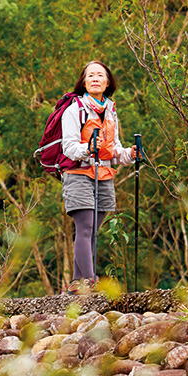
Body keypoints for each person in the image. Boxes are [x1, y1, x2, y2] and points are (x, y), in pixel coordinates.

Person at [60, 60, 138, 294]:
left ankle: (76, 282)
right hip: (78, 173)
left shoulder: (111, 111)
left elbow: (114, 150)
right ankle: (91, 281)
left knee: (93, 230)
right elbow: (69, 147)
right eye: (90, 75)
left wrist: (130, 154)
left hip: (104, 174)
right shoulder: (75, 110)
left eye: (100, 75)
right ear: (83, 82)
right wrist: (88, 149)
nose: (95, 78)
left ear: (107, 83)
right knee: (85, 227)